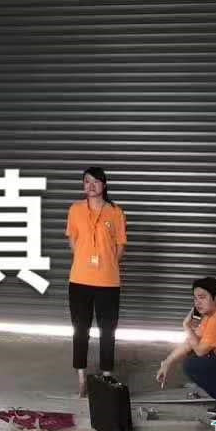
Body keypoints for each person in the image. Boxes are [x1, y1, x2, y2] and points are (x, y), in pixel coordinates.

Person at [65, 166, 127, 396]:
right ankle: (81, 376)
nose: (91, 186)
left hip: (108, 282)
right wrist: (85, 260)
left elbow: (120, 246)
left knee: (107, 330)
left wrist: (106, 263)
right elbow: (73, 241)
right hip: (79, 280)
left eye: (95, 181)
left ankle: (106, 374)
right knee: (80, 330)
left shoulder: (115, 212)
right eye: (86, 182)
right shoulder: (75, 210)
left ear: (104, 184)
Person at [155, 276, 216, 416]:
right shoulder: (212, 316)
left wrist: (186, 326)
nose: (197, 303)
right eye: (195, 298)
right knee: (193, 356)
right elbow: (189, 343)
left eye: (202, 297)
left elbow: (200, 351)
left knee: (194, 363)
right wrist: (167, 362)